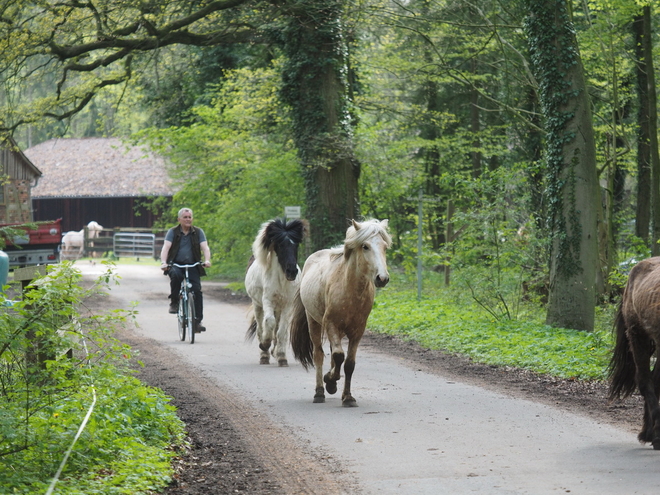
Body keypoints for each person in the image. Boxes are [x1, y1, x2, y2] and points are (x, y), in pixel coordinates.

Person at [160, 208, 211, 332]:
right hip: (176, 264)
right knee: (176, 276)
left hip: (193, 264)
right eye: (185, 217)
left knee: (197, 291)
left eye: (189, 217)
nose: (188, 219)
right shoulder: (173, 232)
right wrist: (164, 262)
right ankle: (174, 302)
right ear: (179, 219)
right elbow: (166, 248)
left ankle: (197, 321)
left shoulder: (198, 232)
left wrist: (207, 260)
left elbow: (205, 248)